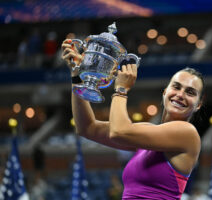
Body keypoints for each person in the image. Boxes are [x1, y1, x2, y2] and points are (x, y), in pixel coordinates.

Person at [61, 39, 204, 199]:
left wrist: (121, 89)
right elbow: (87, 128)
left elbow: (118, 132)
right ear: (165, 92)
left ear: (199, 104)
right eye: (176, 87)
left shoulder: (187, 133)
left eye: (190, 92)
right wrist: (77, 75)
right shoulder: (149, 134)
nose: (180, 95)